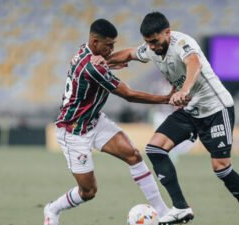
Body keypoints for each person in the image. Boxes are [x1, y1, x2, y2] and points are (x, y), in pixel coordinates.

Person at [100, 11, 239, 225]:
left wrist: (184, 90)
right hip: (190, 110)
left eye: (155, 41)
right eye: (148, 42)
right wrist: (100, 61)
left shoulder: (182, 43)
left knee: (221, 168)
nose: (152, 46)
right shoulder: (151, 49)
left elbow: (194, 63)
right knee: (155, 149)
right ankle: (181, 208)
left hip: (215, 109)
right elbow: (128, 54)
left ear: (167, 32)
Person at [43, 18, 184, 225]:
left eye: (113, 45)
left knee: (134, 155)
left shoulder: (88, 53)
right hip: (73, 131)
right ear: (94, 42)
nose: (112, 49)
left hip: (95, 121)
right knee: (88, 191)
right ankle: (52, 209)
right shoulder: (93, 68)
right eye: (108, 45)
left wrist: (112, 62)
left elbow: (102, 68)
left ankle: (163, 213)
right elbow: (128, 94)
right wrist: (165, 98)